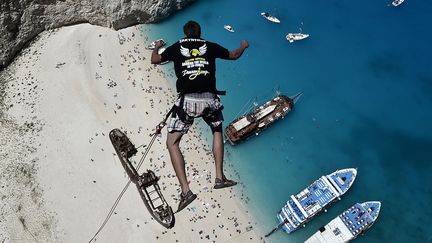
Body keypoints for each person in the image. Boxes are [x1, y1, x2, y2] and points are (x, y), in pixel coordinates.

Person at [151, 20, 249, 212]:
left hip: (188, 102)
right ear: (200, 32)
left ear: (184, 33)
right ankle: (219, 177)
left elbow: (155, 60)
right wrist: (243, 46)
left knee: (172, 143)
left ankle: (186, 191)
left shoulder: (176, 47)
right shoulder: (209, 46)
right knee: (217, 130)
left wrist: (157, 46)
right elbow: (234, 55)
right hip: (210, 99)